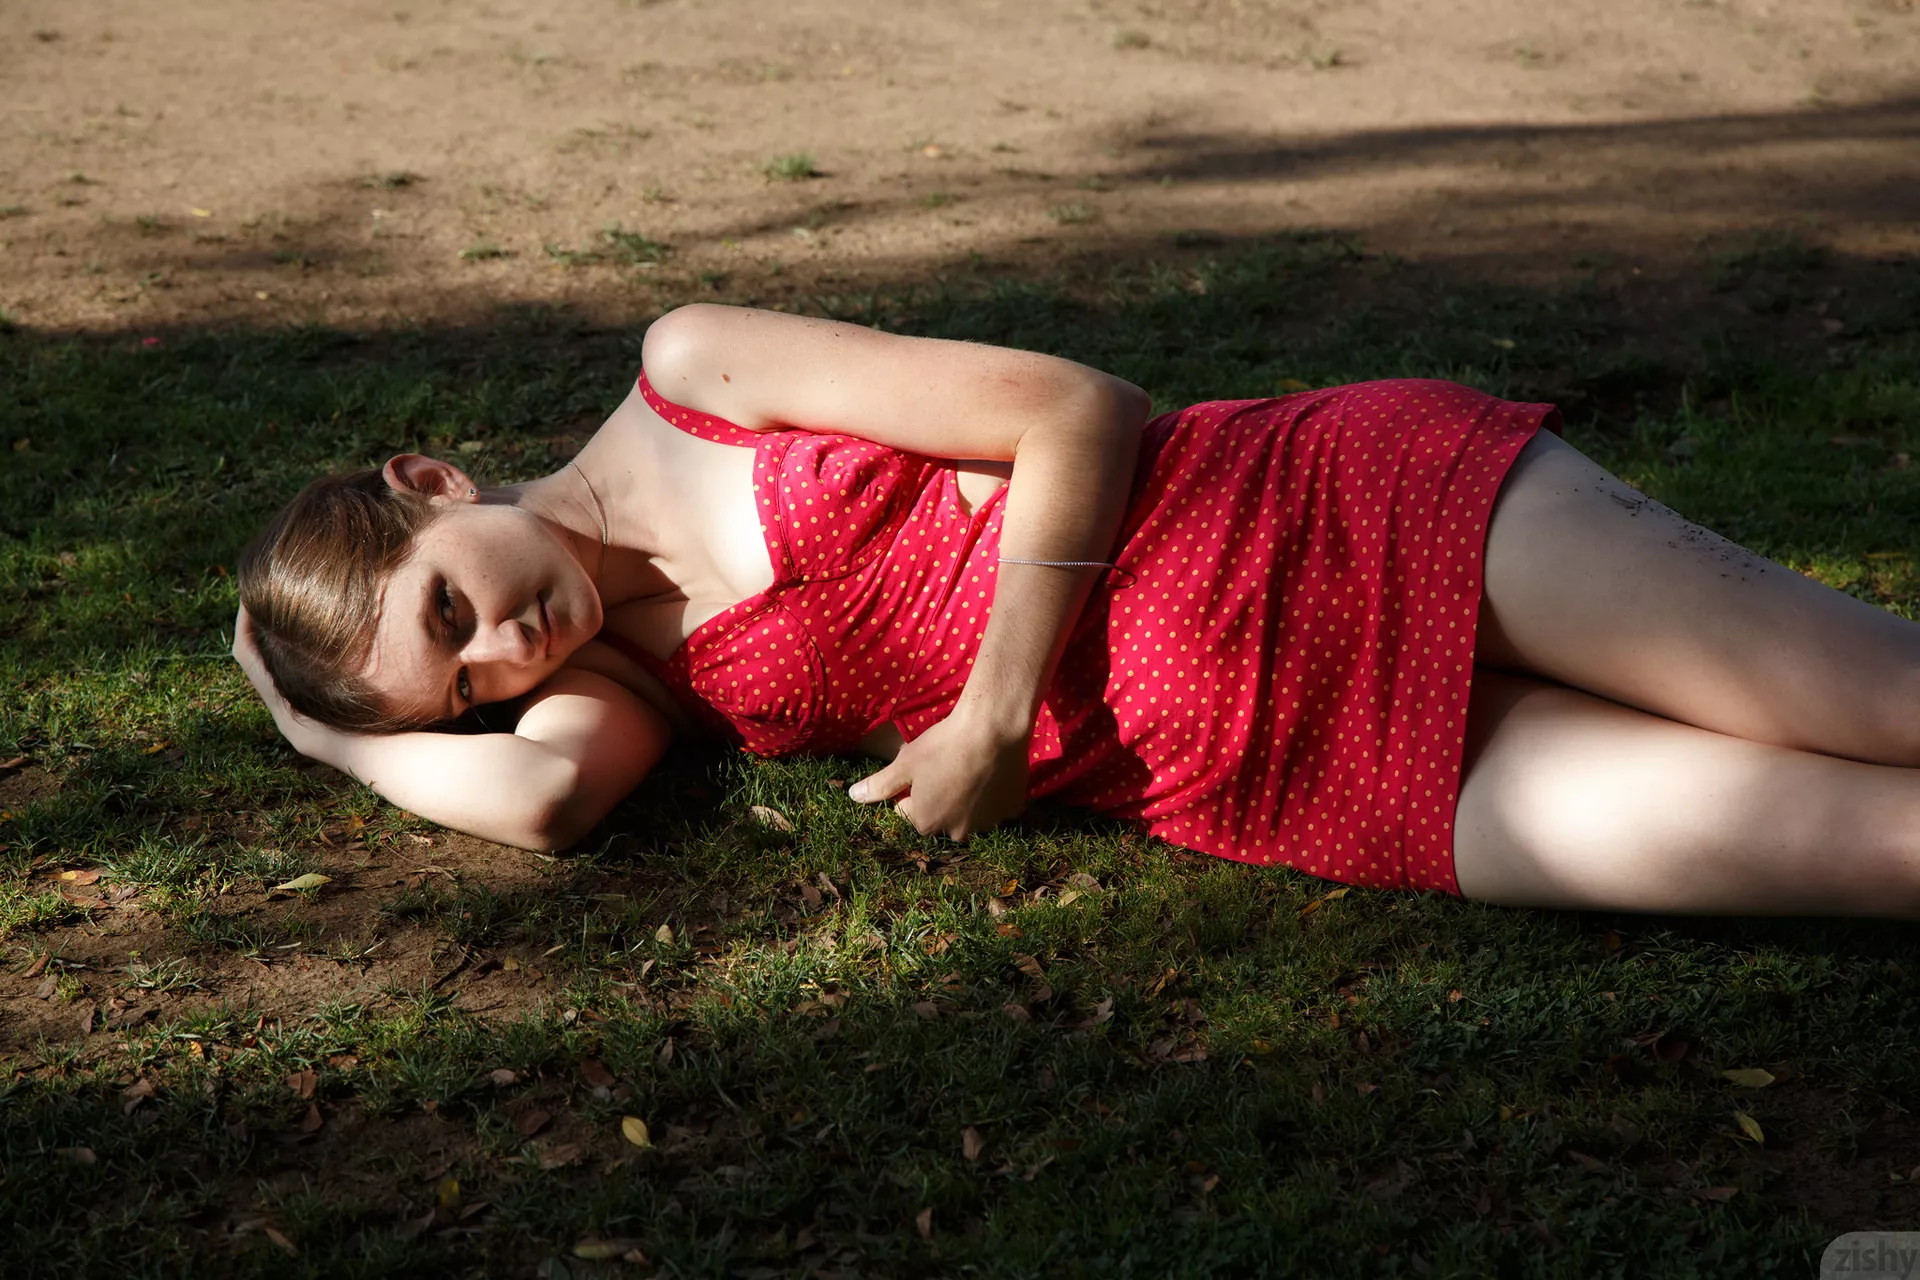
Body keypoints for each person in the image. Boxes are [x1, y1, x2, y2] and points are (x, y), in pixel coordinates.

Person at [233, 303, 1920, 918]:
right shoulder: (625, 685)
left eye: (451, 610)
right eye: (462, 686)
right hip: (1294, 768)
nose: (505, 658)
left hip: (1342, 516)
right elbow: (538, 806)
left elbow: (1073, 408)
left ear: (434, 482)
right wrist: (325, 729)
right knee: (1883, 857)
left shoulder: (691, 377)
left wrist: (990, 713)